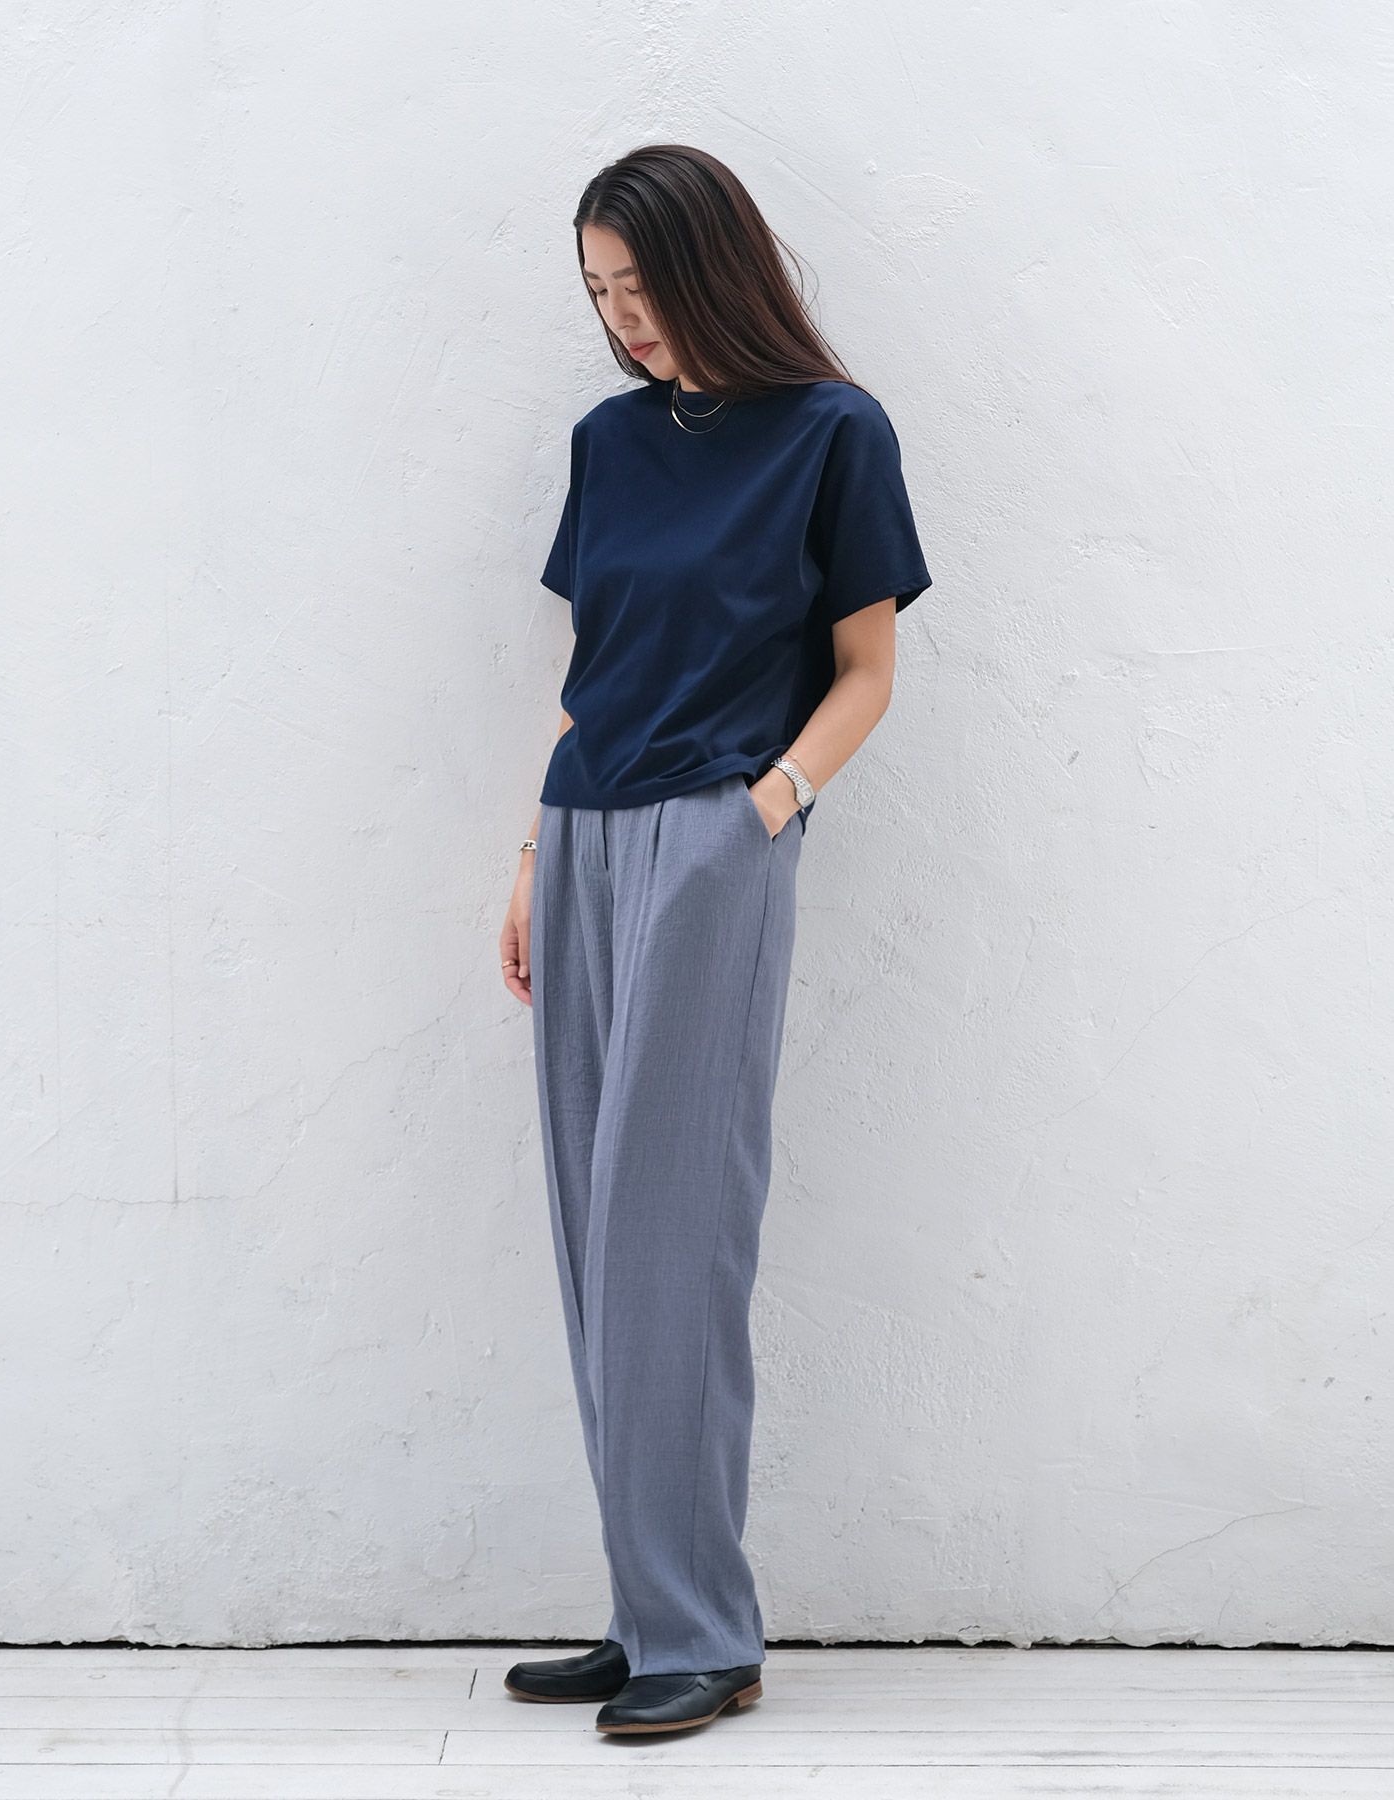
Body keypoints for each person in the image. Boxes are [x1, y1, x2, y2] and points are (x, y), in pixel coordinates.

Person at [497, 143, 932, 1738]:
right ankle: (648, 1610)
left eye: (643, 286)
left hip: (712, 834)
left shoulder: (833, 432)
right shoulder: (608, 443)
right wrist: (530, 854)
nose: (624, 319)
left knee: (673, 1229)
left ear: (713, 266)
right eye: (599, 292)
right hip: (584, 828)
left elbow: (867, 671)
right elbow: (594, 670)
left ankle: (704, 1633)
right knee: (596, 1235)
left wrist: (766, 810)